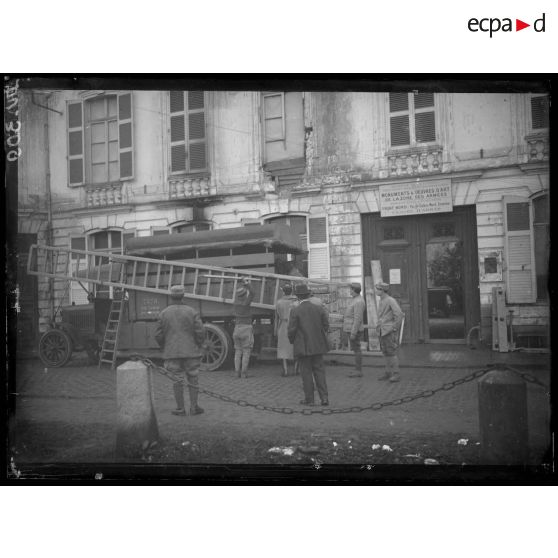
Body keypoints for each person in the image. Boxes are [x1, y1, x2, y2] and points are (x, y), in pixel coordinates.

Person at [155, 285, 205, 416]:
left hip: (171, 352)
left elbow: (158, 335)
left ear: (171, 296)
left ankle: (180, 408)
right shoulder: (192, 311)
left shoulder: (164, 313)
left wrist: (164, 346)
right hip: (191, 351)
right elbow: (200, 331)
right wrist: (198, 344)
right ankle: (194, 407)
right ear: (183, 296)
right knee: (193, 378)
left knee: (177, 380)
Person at [287, 283, 330, 406]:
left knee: (306, 373)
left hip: (303, 347)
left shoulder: (295, 311)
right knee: (319, 371)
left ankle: (309, 399)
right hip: (318, 345)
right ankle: (324, 398)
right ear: (308, 295)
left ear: (298, 297)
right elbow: (326, 325)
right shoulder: (318, 308)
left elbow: (291, 330)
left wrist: (292, 341)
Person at [375, 282, 404, 382]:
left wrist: (394, 327)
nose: (376, 290)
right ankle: (388, 373)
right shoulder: (382, 300)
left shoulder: (390, 300)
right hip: (382, 331)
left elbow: (399, 314)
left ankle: (396, 373)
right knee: (386, 352)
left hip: (388, 331)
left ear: (383, 290)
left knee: (391, 352)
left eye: (378, 289)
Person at [343, 282, 366, 378]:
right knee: (355, 349)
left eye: (351, 289)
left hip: (354, 330)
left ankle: (358, 371)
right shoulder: (355, 299)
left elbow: (358, 318)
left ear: (354, 290)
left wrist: (353, 332)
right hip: (351, 328)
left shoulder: (358, 301)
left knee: (357, 350)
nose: (349, 291)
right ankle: (357, 369)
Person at [275, 284, 299, 376]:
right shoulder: (296, 302)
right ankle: (296, 368)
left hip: (283, 325)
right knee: (295, 347)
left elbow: (277, 316)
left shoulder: (279, 302)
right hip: (294, 325)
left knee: (283, 348)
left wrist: (276, 328)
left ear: (284, 291)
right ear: (291, 291)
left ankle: (285, 370)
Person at [233, 277, 254, 378]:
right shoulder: (246, 303)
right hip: (246, 328)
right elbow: (253, 293)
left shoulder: (235, 303)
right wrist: (246, 284)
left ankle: (237, 372)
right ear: (245, 295)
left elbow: (240, 294)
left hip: (237, 328)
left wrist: (242, 284)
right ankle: (244, 373)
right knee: (246, 352)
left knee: (238, 351)